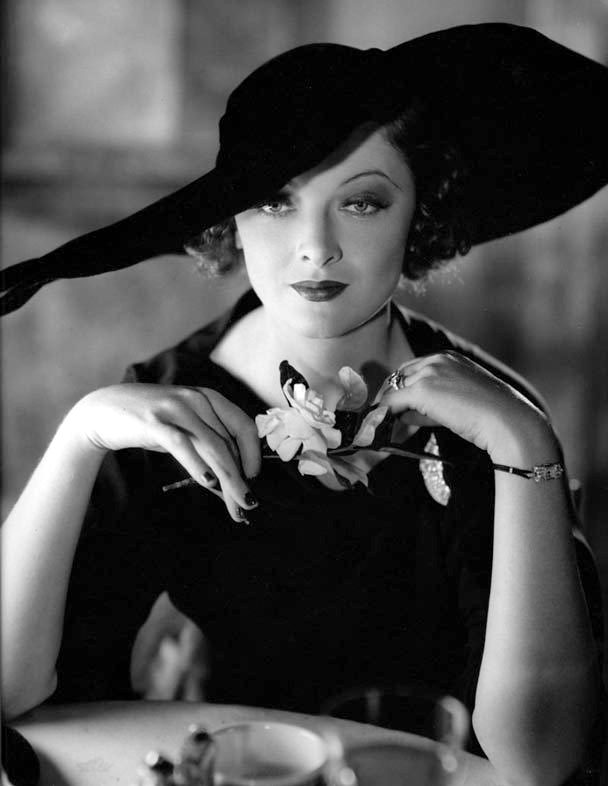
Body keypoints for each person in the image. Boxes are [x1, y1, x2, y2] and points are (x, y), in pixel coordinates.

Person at [1, 22, 607, 786]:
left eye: (362, 203)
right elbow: (10, 693)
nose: (315, 246)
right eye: (274, 201)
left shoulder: (493, 421)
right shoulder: (165, 407)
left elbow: (540, 760)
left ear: (418, 214)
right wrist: (79, 434)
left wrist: (526, 444)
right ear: (228, 218)